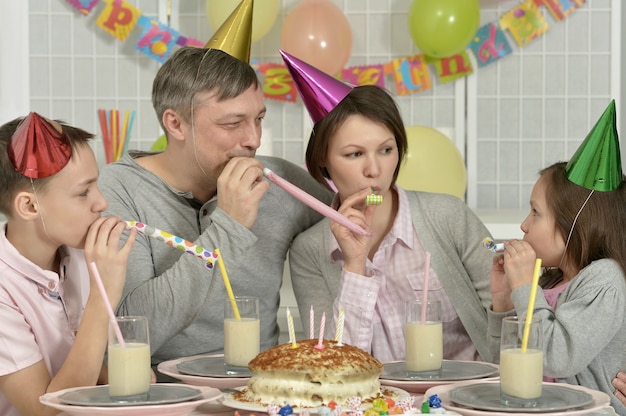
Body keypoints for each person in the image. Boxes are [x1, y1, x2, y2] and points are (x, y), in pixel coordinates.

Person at [97, 46, 332, 371]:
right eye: (233, 123)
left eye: (259, 119)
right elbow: (132, 331)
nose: (253, 140)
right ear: (176, 124)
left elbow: (359, 226)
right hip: (167, 399)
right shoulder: (117, 190)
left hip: (262, 391)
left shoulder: (279, 181)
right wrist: (230, 227)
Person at [282, 50, 496, 364]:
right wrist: (354, 266)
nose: (374, 169)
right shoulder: (310, 251)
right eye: (354, 154)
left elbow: (510, 323)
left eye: (385, 149)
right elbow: (337, 367)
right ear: (323, 161)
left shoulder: (449, 217)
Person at [487, 100, 626, 414]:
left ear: (573, 223)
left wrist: (524, 287)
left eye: (535, 213)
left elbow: (556, 358)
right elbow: (501, 366)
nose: (523, 225)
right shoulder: (548, 281)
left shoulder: (605, 279)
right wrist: (504, 300)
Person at [0, 113, 136, 416]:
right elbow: (47, 411)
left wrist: (115, 376)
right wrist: (103, 296)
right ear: (30, 206)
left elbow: (68, 350)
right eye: (83, 192)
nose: (101, 203)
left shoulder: (74, 254)